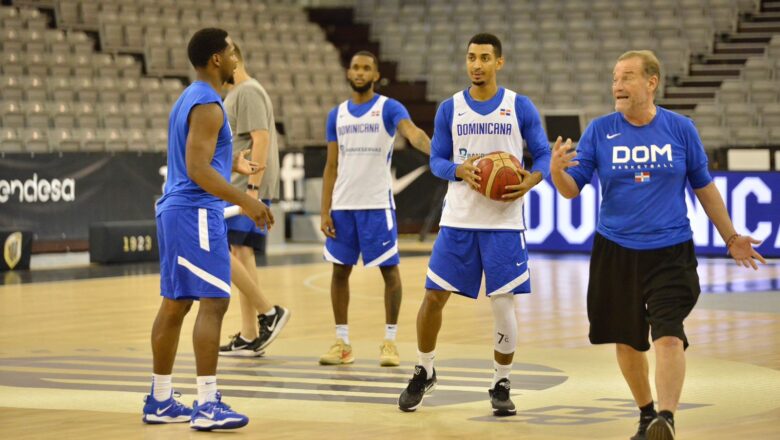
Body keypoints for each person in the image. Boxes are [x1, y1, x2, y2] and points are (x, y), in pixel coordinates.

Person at [549, 50, 766, 440]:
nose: (617, 85)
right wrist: (556, 173)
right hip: (615, 251)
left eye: (627, 76)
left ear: (651, 83)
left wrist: (731, 238)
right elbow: (570, 191)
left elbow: (704, 188)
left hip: (671, 251)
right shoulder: (599, 131)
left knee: (668, 334)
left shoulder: (680, 129)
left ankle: (666, 417)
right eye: (615, 77)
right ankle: (646, 414)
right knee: (627, 340)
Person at [397, 33, 551, 416]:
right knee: (433, 297)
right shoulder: (450, 109)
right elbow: (435, 160)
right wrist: (457, 170)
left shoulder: (520, 106)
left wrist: (534, 177)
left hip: (503, 223)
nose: (476, 64)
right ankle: (424, 369)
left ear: (499, 62)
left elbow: (543, 154)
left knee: (502, 306)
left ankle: (501, 381)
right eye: (471, 58)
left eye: (484, 58)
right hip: (459, 221)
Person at [141, 28, 274, 431]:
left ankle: (161, 399)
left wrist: (231, 164)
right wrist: (248, 201)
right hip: (195, 212)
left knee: (176, 303)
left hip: (177, 210)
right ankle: (206, 403)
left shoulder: (190, 96)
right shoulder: (211, 105)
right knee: (214, 301)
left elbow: (197, 157)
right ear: (217, 59)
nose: (236, 57)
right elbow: (197, 170)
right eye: (232, 51)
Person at [319, 50, 431, 367]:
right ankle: (342, 343)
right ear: (348, 73)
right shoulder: (336, 115)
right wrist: (324, 209)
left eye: (366, 68)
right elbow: (330, 165)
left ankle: (390, 342)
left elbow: (412, 133)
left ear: (376, 74)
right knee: (339, 272)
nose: (359, 72)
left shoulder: (388, 108)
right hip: (342, 207)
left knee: (389, 272)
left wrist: (434, 149)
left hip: (376, 204)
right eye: (355, 67)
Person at [219, 42, 289, 357]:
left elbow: (260, 139)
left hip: (243, 188)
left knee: (228, 252)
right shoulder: (236, 93)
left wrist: (252, 191)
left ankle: (268, 313)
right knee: (240, 251)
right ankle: (251, 332)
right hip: (238, 187)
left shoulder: (247, 91)